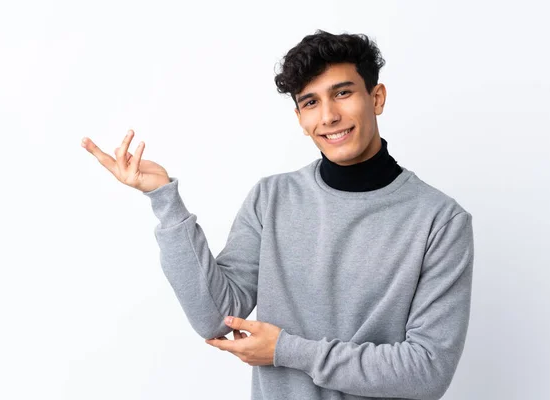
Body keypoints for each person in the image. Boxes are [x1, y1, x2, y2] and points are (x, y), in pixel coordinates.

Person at [81, 29, 474, 400]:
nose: (328, 116)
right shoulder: (273, 198)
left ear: (377, 98)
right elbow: (218, 318)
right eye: (311, 102)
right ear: (301, 120)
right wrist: (164, 200)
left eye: (342, 93)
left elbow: (428, 370)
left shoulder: (440, 220)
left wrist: (288, 351)